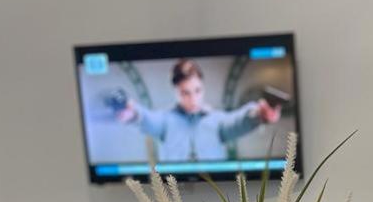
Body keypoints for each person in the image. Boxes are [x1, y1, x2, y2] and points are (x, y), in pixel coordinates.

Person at [117, 58, 280, 161]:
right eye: (185, 93)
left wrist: (258, 114)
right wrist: (133, 113)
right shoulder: (165, 121)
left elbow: (238, 121)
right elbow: (147, 119)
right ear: (175, 91)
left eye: (197, 90)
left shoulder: (217, 120)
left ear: (203, 87)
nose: (193, 99)